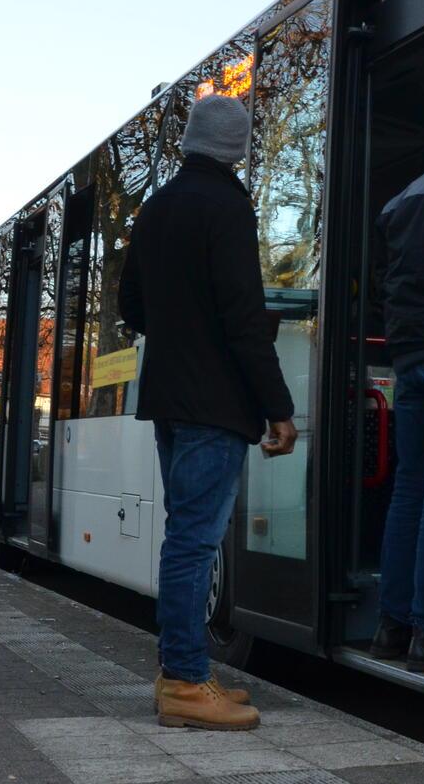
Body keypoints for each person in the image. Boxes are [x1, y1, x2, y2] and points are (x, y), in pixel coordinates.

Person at [120, 94, 298, 731]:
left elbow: (130, 305)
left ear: (190, 141)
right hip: (217, 403)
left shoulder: (157, 205)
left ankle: (182, 671)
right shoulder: (228, 207)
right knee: (194, 545)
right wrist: (279, 408)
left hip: (168, 397)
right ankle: (187, 684)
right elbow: (243, 321)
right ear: (237, 149)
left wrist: (179, 328)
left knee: (186, 538)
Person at [369, 143, 424, 672]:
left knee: (409, 488)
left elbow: (385, 284)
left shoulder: (396, 204)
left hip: (407, 357)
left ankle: (390, 626)